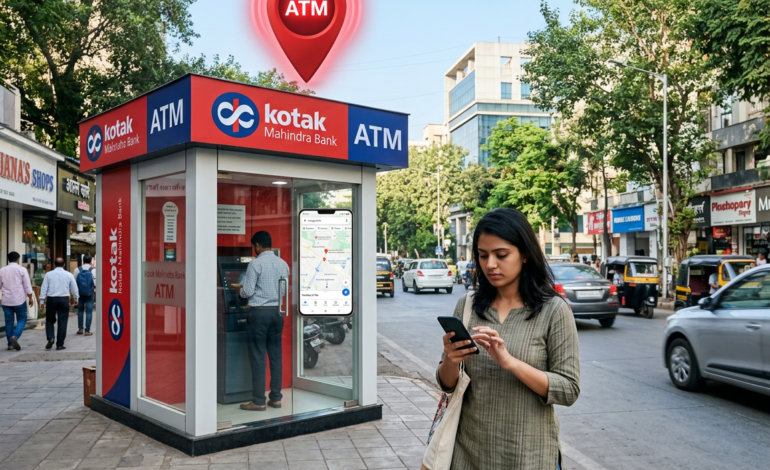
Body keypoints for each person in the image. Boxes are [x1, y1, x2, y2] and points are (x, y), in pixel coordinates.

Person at [437, 208, 579, 469]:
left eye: (501, 255)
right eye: (483, 255)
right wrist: (450, 359)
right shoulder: (466, 307)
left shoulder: (553, 310)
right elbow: (447, 385)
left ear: (524, 255)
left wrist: (510, 362)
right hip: (469, 454)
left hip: (530, 455)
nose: (490, 264)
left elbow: (568, 389)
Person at [239, 231, 290, 411]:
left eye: (254, 246)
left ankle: (258, 401)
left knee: (258, 357)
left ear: (258, 246)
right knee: (275, 356)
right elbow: (284, 290)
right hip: (277, 314)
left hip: (259, 314)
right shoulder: (283, 264)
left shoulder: (256, 264)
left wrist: (239, 289)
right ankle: (276, 398)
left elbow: (247, 292)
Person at [39, 258, 79, 350]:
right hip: (64, 299)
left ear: (54, 264)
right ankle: (60, 344)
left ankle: (50, 338)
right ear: (64, 264)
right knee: (63, 322)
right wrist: (76, 298)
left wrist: (42, 301)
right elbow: (74, 288)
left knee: (49, 320)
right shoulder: (69, 275)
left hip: (51, 300)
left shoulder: (48, 275)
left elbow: (44, 288)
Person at [0, 252, 34, 351]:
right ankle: (15, 336)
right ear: (18, 259)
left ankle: (10, 345)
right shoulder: (22, 270)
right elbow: (27, 285)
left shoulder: (2, 270)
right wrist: (30, 298)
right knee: (22, 319)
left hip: (6, 301)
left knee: (9, 322)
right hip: (19, 300)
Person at [73, 255, 96, 336]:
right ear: (91, 262)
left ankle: (80, 329)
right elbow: (95, 283)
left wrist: (75, 296)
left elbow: (74, 283)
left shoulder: (77, 270)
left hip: (80, 293)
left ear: (82, 261)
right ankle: (87, 331)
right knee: (89, 312)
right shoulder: (93, 270)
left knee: (80, 310)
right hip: (90, 293)